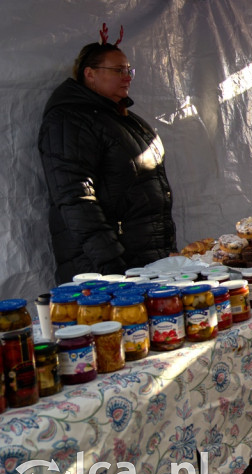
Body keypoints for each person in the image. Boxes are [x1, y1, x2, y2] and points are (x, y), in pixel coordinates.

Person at [38, 26, 176, 282]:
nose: (127, 77)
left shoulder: (123, 118)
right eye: (118, 70)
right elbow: (76, 198)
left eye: (128, 70)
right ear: (90, 74)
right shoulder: (69, 120)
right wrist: (112, 265)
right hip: (105, 270)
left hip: (142, 263)